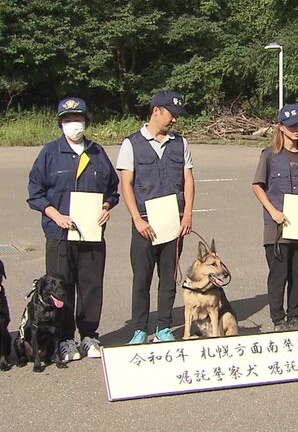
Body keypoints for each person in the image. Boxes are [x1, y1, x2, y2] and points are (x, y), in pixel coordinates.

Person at [27, 96, 119, 360]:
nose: (73, 124)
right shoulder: (49, 153)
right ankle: (65, 339)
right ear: (60, 124)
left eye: (77, 119)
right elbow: (35, 192)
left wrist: (106, 207)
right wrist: (55, 215)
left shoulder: (97, 152)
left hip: (91, 233)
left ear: (86, 121)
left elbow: (112, 190)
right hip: (59, 234)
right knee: (60, 287)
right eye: (67, 120)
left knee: (91, 285)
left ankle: (89, 336)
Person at [116, 91, 195, 344]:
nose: (175, 121)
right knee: (142, 278)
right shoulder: (131, 144)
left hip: (174, 221)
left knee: (169, 277)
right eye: (172, 115)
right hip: (145, 223)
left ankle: (164, 327)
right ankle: (140, 328)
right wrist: (137, 219)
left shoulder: (180, 143)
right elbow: (126, 184)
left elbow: (189, 180)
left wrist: (188, 215)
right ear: (156, 111)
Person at [252, 103, 298, 331]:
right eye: (292, 125)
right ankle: (278, 320)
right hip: (277, 228)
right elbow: (257, 186)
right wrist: (272, 211)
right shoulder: (270, 156)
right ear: (281, 127)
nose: (297, 129)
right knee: (278, 275)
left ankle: (294, 316)